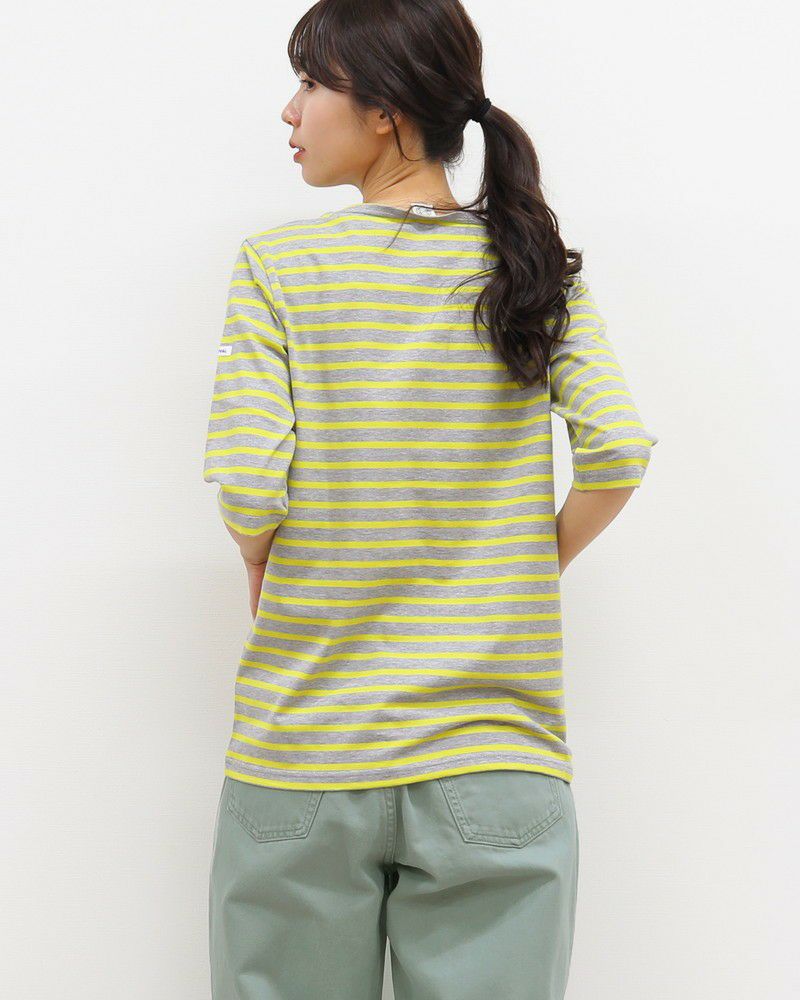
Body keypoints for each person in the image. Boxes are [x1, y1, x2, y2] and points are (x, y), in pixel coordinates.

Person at [202, 1, 659, 997]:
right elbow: (617, 451)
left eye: (310, 82)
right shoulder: (530, 267)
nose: (289, 110)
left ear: (386, 111)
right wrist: (520, 565)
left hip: (305, 748)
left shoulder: (280, 267)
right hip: (498, 759)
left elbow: (250, 482)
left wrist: (257, 552)